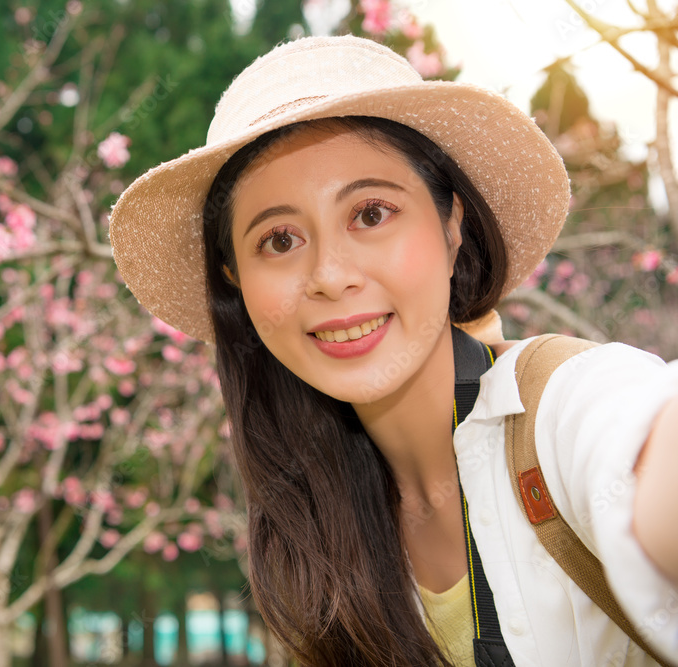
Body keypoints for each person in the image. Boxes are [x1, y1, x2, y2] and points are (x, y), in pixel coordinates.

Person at [108, 35, 678, 666]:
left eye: (371, 213)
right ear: (237, 279)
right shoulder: (318, 532)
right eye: (278, 239)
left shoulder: (564, 409)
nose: (330, 274)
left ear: (451, 223)